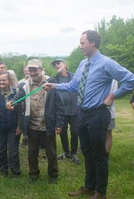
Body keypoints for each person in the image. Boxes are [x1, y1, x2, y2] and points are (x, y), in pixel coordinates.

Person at [44, 30, 134, 198]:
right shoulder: (82, 64)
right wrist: (54, 86)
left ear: (92, 42)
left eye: (82, 43)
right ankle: (89, 186)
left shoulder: (107, 63)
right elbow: (73, 86)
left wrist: (113, 96)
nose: (80, 46)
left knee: (99, 154)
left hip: (98, 114)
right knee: (86, 151)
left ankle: (101, 191)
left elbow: (131, 79)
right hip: (83, 114)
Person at [11, 59, 64, 184]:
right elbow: (18, 97)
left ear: (41, 69)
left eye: (35, 69)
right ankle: (33, 174)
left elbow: (60, 105)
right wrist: (11, 102)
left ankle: (53, 175)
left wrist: (59, 124)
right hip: (32, 125)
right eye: (30, 70)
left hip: (48, 124)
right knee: (32, 152)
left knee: (51, 152)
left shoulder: (51, 83)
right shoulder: (25, 85)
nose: (33, 72)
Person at [52, 59, 80, 165]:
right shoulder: (55, 79)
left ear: (65, 64)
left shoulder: (74, 77)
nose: (56, 65)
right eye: (55, 64)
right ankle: (65, 152)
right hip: (61, 111)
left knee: (75, 132)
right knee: (62, 131)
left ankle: (73, 153)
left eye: (58, 63)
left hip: (75, 110)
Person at [106, 80, 118, 156]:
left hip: (109, 112)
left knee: (108, 135)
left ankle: (106, 154)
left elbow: (114, 94)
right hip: (94, 111)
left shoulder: (113, 78)